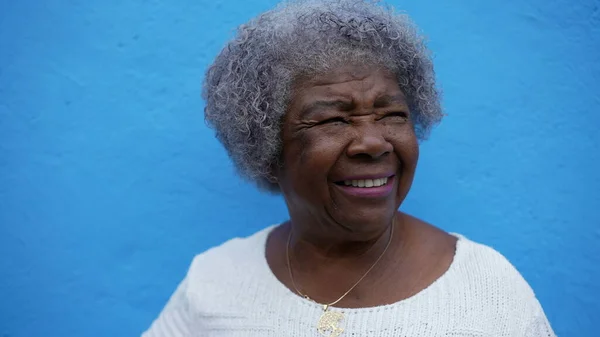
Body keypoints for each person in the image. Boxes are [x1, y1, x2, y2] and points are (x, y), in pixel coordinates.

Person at [142, 0, 555, 336]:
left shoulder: (488, 291)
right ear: (266, 149)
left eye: (392, 113)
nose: (374, 142)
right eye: (333, 120)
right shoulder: (215, 282)